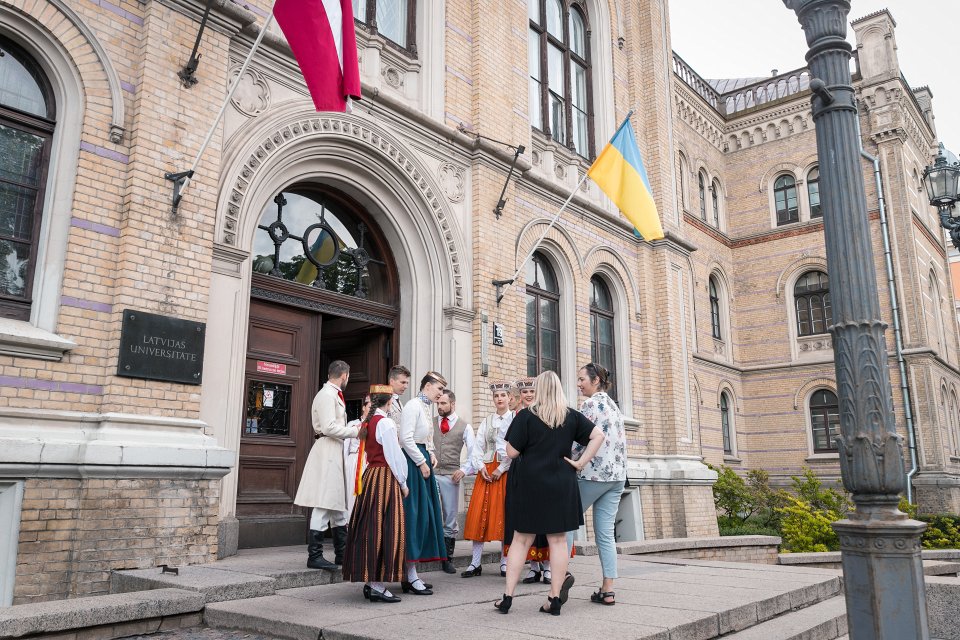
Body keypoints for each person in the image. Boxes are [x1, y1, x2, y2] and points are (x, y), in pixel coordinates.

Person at [496, 370, 604, 616]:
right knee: (557, 542)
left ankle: (507, 598)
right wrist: (581, 462)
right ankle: (554, 599)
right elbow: (598, 436)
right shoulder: (571, 416)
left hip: (529, 485)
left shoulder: (526, 417)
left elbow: (511, 452)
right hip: (560, 484)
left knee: (521, 540)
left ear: (539, 390)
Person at [342, 386, 409, 603]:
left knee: (371, 527)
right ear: (389, 402)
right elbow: (393, 456)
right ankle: (377, 584)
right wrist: (403, 482)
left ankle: (372, 583)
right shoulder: (386, 423)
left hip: (370, 475)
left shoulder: (368, 422)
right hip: (385, 478)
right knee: (386, 528)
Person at [567, 363, 627, 606]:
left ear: (596, 381)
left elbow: (579, 440)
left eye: (582, 379)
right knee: (605, 535)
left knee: (566, 522)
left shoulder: (590, 405)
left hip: (593, 475)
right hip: (617, 477)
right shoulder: (614, 405)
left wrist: (567, 458)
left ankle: (559, 579)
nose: (579, 383)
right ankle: (608, 589)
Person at [294, 360, 360, 569]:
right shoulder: (326, 395)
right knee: (324, 502)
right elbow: (330, 427)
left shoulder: (333, 395)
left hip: (334, 449)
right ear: (344, 375)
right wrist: (356, 431)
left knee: (338, 504)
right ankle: (314, 556)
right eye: (348, 376)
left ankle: (342, 553)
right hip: (327, 449)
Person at [398, 371, 448, 595]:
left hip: (422, 459)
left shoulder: (425, 407)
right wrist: (421, 462)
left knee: (424, 516)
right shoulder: (413, 405)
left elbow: (424, 437)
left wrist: (431, 452)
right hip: (413, 464)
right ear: (427, 386)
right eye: (439, 388)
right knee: (415, 516)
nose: (441, 393)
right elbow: (406, 438)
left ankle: (412, 575)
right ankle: (410, 576)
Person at [462, 381, 514, 578]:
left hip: (505, 471)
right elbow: (477, 446)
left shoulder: (515, 419)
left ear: (510, 398)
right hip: (486, 471)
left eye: (503, 395)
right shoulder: (487, 420)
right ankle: (475, 563)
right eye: (496, 396)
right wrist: (480, 467)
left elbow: (516, 447)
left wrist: (501, 468)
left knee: (503, 515)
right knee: (479, 515)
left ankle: (504, 561)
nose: (499, 399)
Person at [509, 376, 552, 584]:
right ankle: (533, 567)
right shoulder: (516, 415)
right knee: (526, 520)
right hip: (520, 468)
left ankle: (548, 566)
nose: (528, 395)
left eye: (531, 392)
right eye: (524, 392)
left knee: (545, 519)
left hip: (540, 469)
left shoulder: (543, 414)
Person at [432, 389, 477, 574]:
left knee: (450, 517)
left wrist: (464, 470)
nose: (440, 407)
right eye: (438, 403)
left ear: (452, 404)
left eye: (443, 403)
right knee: (430, 513)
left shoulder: (464, 426)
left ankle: (447, 559)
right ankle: (431, 552)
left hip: (451, 476)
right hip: (431, 474)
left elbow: (474, 454)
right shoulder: (430, 422)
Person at [344, 394, 371, 517]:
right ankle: (349, 523)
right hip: (354, 461)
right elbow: (345, 446)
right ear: (363, 408)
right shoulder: (352, 424)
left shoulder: (377, 425)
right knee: (351, 492)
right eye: (370, 407)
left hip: (369, 462)